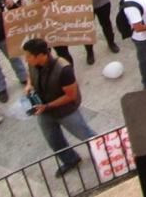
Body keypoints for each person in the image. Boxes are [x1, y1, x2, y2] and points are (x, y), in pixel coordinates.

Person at [22, 38, 96, 177]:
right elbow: (30, 75)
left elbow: (71, 95)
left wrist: (47, 106)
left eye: (28, 56)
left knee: (85, 135)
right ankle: (70, 160)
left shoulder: (63, 69)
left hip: (65, 111)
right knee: (53, 139)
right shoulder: (33, 63)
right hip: (44, 110)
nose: (26, 60)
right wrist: (29, 85)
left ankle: (108, 153)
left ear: (40, 55)